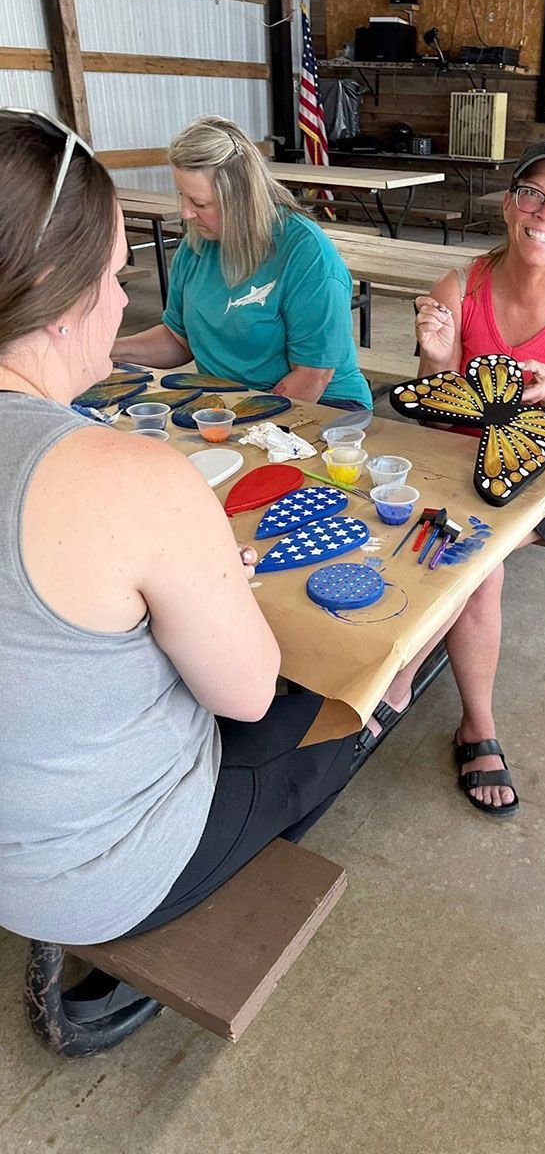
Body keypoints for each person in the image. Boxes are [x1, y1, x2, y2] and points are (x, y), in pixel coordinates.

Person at [0, 109, 364, 978]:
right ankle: (226, 884)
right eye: (118, 275)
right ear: (56, 291)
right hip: (86, 877)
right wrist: (201, 586)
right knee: (345, 709)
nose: (128, 297)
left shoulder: (300, 251)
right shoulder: (130, 479)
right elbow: (241, 696)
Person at [363, 136, 545, 819]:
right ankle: (433, 703)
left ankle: (428, 697)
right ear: (510, 205)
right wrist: (437, 357)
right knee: (404, 525)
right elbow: (431, 406)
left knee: (477, 560)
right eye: (534, 194)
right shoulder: (461, 286)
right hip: (454, 464)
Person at [114, 115, 372, 412]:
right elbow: (178, 338)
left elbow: (313, 375)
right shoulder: (197, 244)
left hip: (325, 405)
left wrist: (241, 426)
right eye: (181, 195)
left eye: (199, 203)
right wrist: (109, 350)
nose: (185, 213)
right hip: (229, 400)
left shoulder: (305, 253)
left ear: (241, 199)